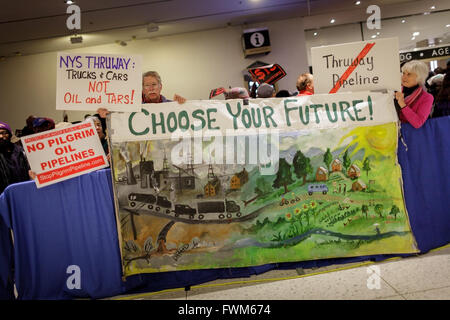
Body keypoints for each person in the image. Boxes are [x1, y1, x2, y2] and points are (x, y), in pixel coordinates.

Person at [394, 60, 434, 129]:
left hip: (412, 136)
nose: (404, 77)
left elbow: (418, 123)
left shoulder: (427, 97)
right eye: (403, 73)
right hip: (392, 134)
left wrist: (402, 104)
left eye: (409, 74)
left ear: (419, 77)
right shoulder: (396, 91)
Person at [0, 121, 30, 194]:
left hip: (24, 191)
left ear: (10, 134)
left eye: (4, 133)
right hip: (4, 195)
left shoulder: (21, 151)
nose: (1, 136)